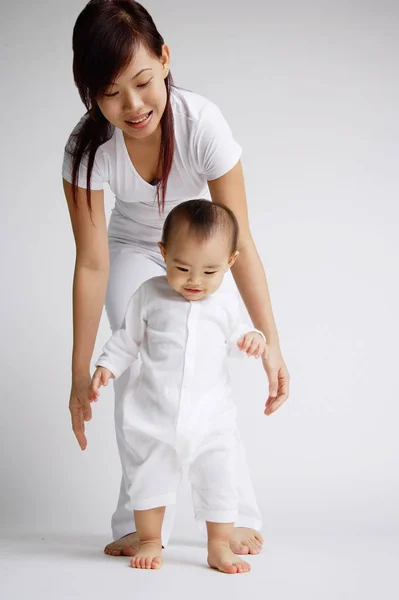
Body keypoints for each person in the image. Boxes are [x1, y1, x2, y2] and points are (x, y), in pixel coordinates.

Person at [62, 0, 290, 557]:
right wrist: (79, 372)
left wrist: (272, 343)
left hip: (199, 248)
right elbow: (92, 262)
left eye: (142, 82)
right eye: (111, 93)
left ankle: (234, 514)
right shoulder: (88, 150)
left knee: (209, 360)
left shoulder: (202, 124)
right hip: (134, 248)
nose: (133, 106)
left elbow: (241, 240)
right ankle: (137, 522)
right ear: (92, 94)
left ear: (165, 59)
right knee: (136, 364)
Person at [89, 200, 267, 572]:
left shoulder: (225, 302)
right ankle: (151, 540)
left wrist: (253, 339)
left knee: (219, 480)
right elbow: (127, 339)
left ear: (230, 263)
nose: (194, 281)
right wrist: (107, 365)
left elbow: (239, 335)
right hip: (156, 415)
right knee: (149, 480)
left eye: (209, 271)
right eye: (182, 267)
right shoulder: (150, 294)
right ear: (163, 252)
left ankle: (218, 544)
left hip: (210, 419)